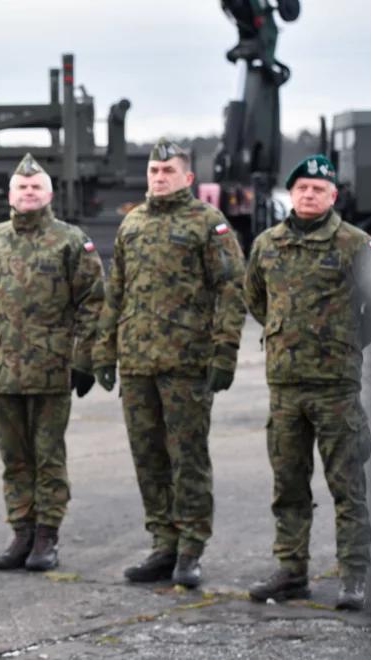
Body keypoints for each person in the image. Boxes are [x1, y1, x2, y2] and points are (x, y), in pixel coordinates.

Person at [92, 138, 246, 588]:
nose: (159, 178)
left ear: (188, 178)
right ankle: (163, 544)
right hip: (138, 364)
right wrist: (105, 352)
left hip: (187, 363)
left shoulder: (208, 223)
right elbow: (114, 293)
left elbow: (231, 291)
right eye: (154, 172)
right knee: (149, 458)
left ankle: (191, 548)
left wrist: (225, 352)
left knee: (188, 459)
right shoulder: (132, 223)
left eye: (168, 171)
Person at [0, 154, 104, 572]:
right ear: (10, 195)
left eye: (36, 186)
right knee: (14, 459)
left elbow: (94, 303)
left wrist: (85, 360)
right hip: (0, 370)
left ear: (50, 193)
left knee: (48, 457)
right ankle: (21, 532)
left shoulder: (71, 241)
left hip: (52, 370)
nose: (29, 193)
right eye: (22, 187)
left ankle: (46, 537)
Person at [244, 155, 371, 610]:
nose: (308, 195)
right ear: (291, 193)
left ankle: (354, 576)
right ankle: (291, 571)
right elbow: (256, 299)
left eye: (318, 189)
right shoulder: (267, 244)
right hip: (285, 387)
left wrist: (348, 343)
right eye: (301, 188)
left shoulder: (355, 244)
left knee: (348, 486)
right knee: (288, 486)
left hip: (336, 388)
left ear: (332, 196)